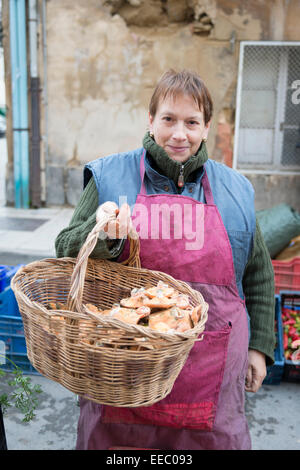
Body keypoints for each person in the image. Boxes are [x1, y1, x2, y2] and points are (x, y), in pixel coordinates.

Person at [55, 69, 275, 450]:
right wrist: (106, 235)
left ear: (207, 127)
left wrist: (259, 347)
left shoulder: (236, 190)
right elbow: (66, 247)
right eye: (168, 119)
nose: (179, 134)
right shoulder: (111, 177)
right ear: (150, 120)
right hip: (124, 367)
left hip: (212, 368)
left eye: (191, 122)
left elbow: (257, 275)